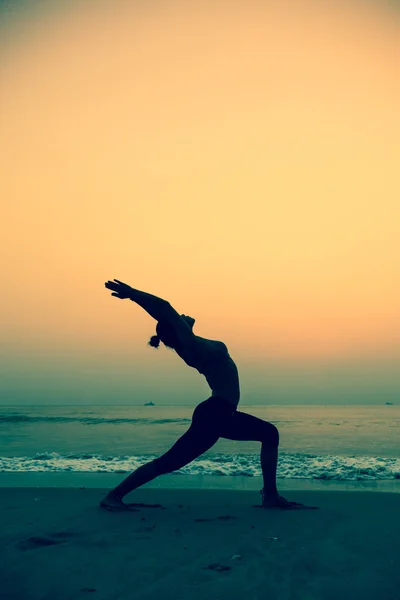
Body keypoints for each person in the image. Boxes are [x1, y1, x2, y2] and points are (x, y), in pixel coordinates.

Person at [100, 279, 318, 511]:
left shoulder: (191, 344)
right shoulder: (190, 344)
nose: (182, 314)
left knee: (269, 434)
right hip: (215, 413)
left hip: (220, 412)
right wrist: (133, 294)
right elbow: (163, 308)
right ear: (177, 330)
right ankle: (114, 495)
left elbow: (169, 315)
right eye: (179, 318)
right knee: (169, 462)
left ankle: (271, 496)